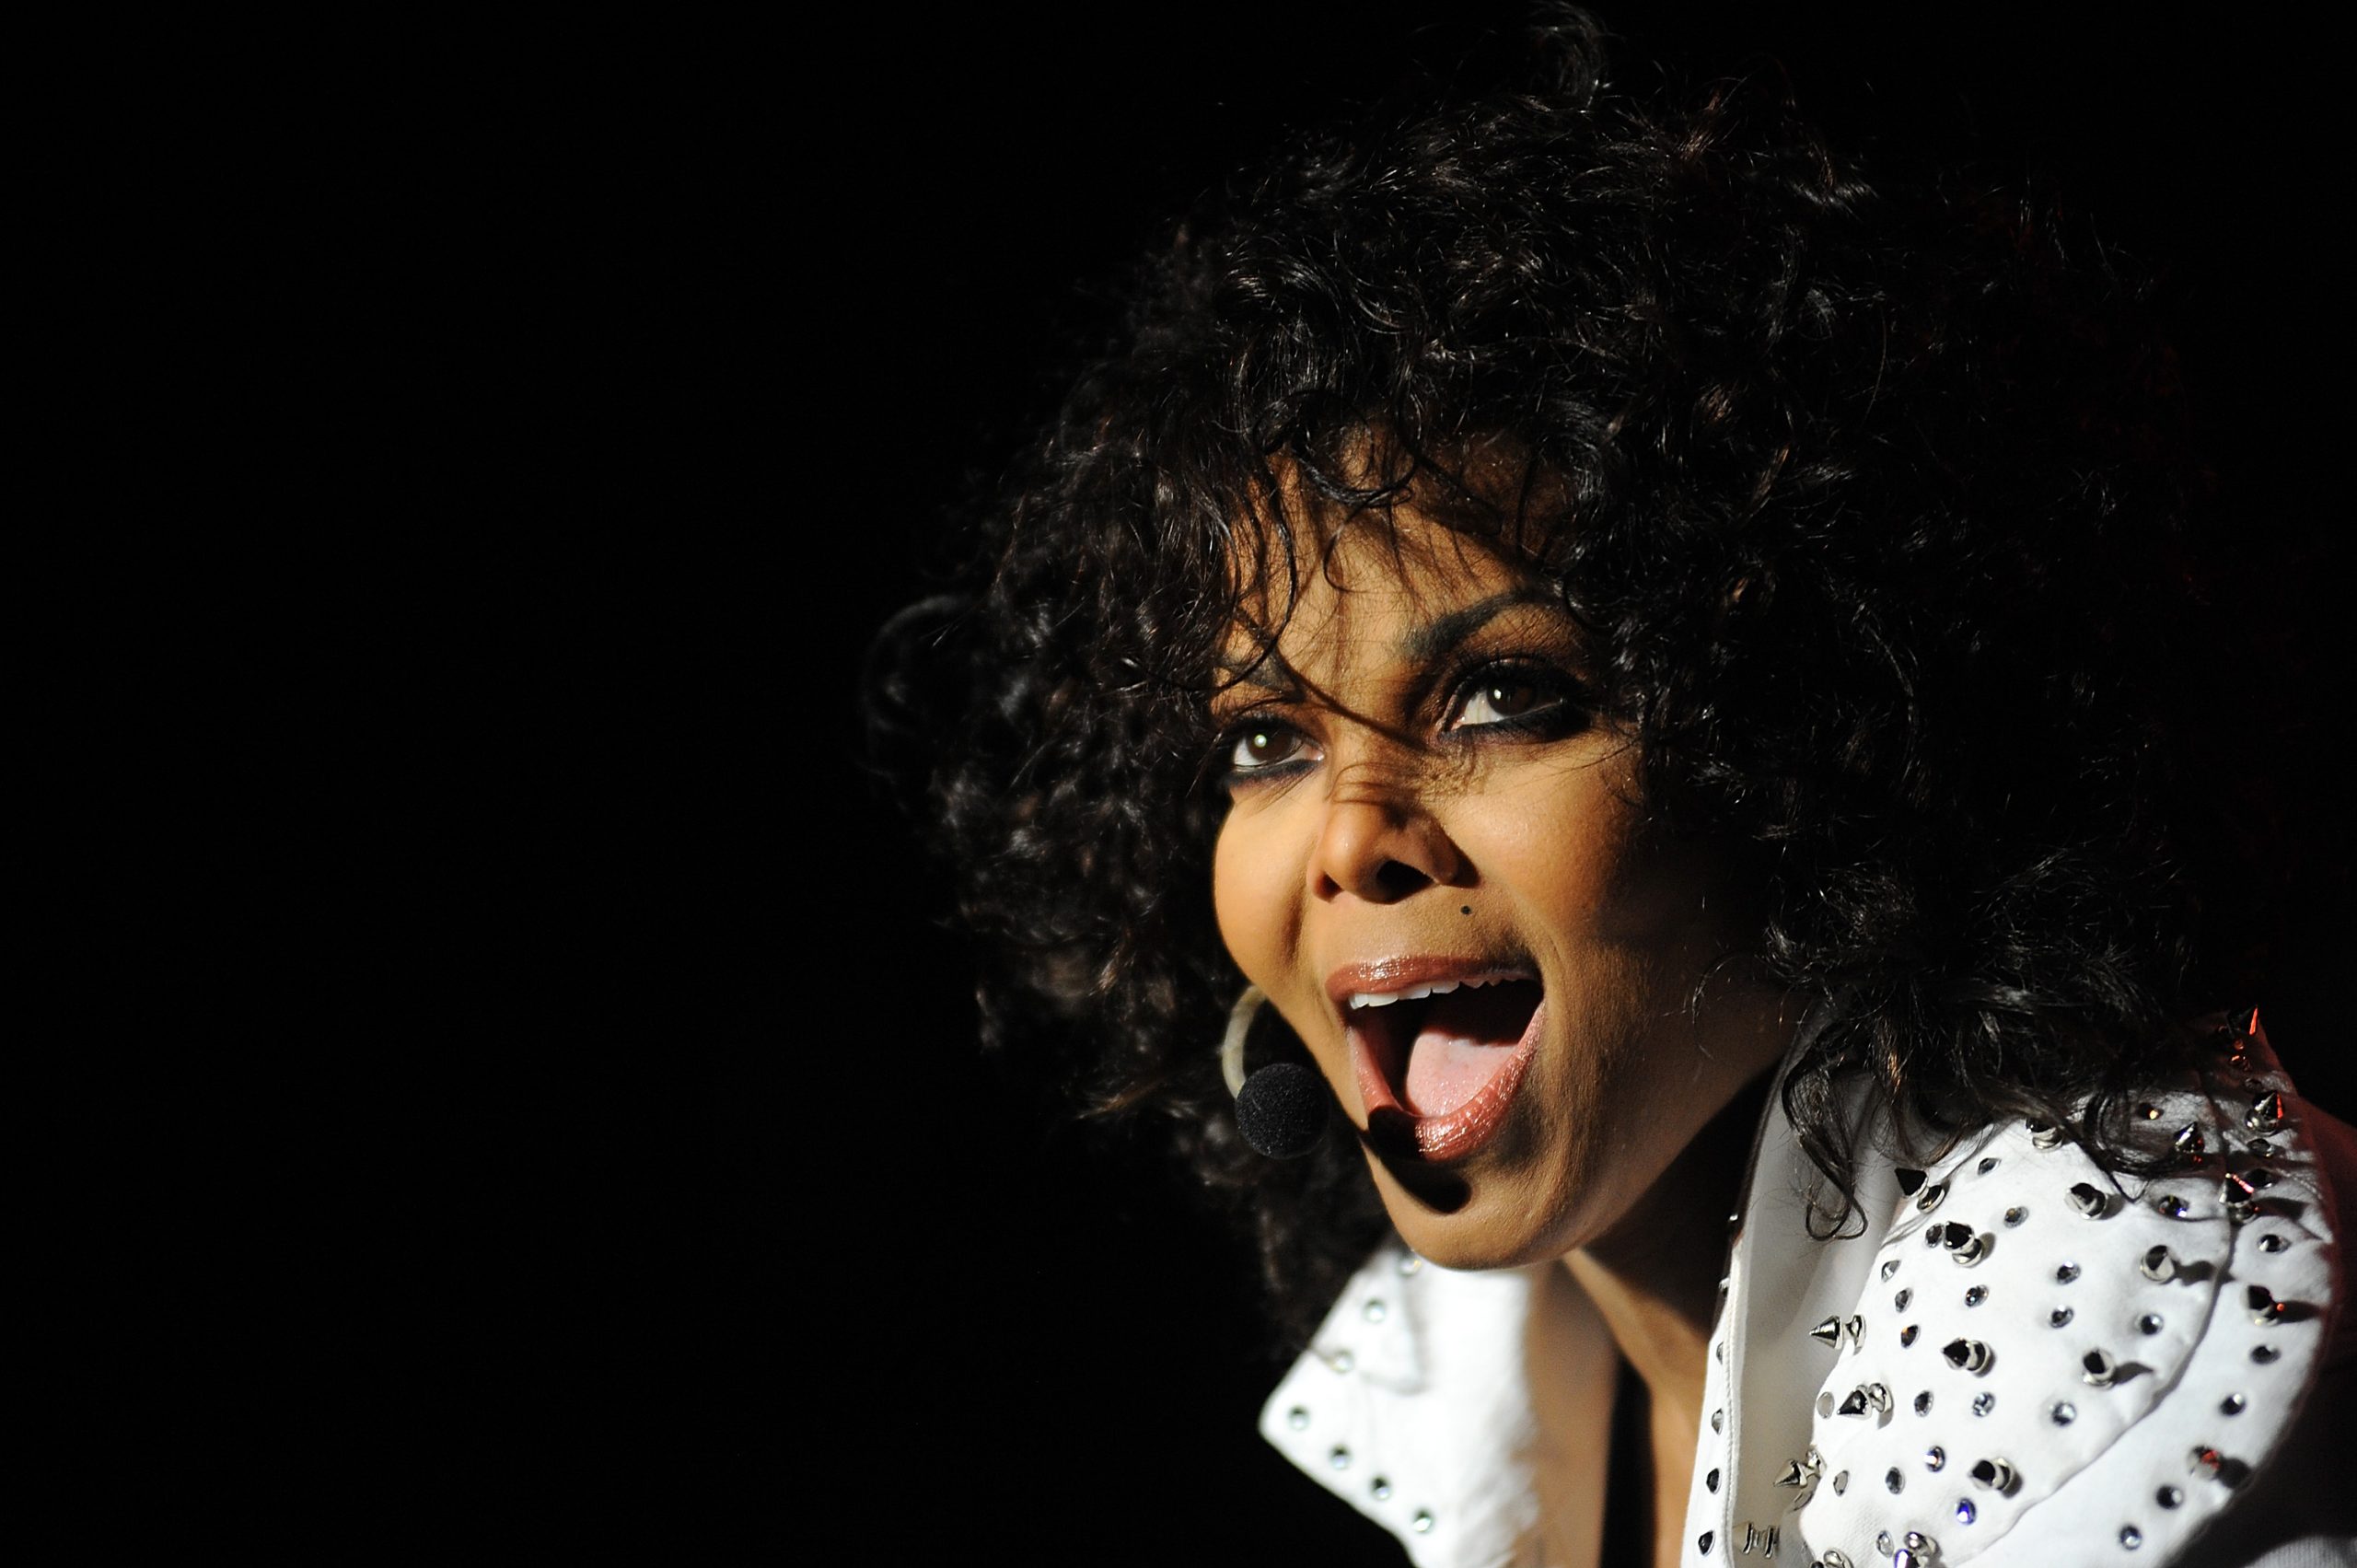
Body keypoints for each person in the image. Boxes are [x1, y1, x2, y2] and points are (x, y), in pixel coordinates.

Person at [874, 12, 2354, 1565]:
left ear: (1818, 742)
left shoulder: (2102, 1295)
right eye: (1267, 741)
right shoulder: (1469, 1373)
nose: (1351, 840)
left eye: (1505, 697)